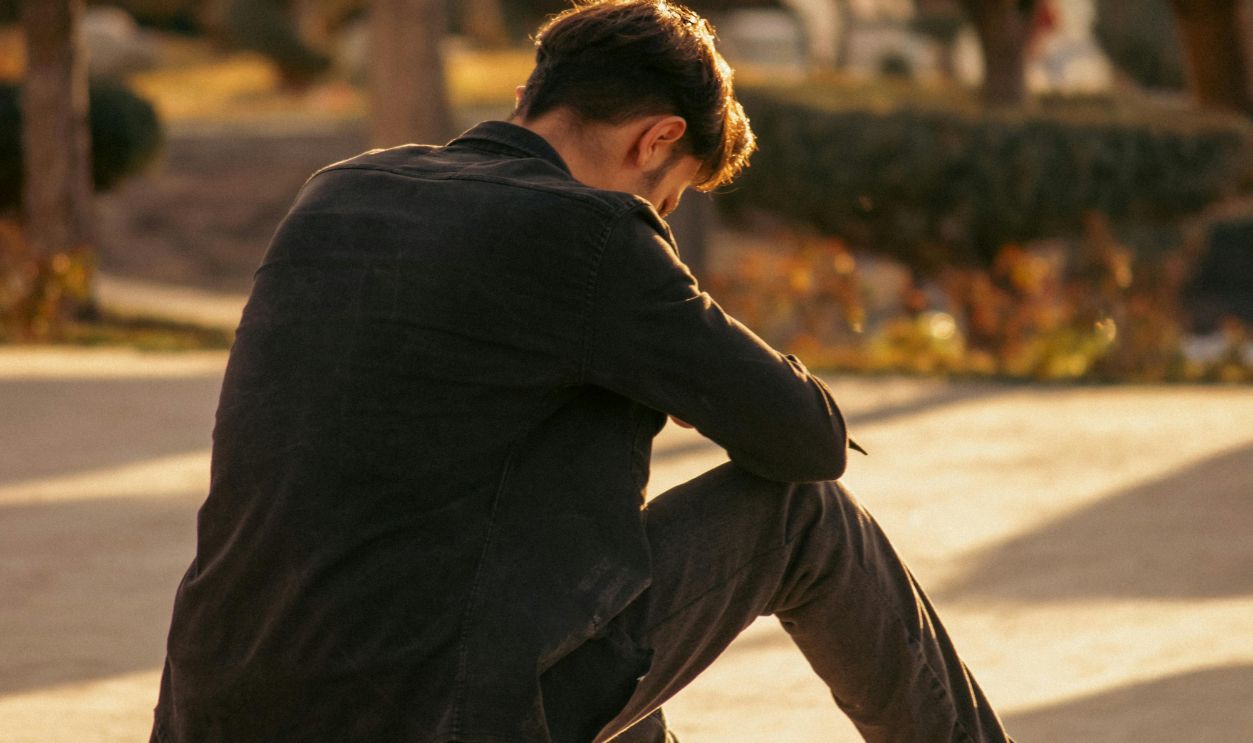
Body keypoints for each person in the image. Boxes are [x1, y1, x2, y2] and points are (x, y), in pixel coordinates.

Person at [151, 1, 1014, 741]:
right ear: (658, 139)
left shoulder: (338, 190)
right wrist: (669, 317)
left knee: (583, 575)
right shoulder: (592, 235)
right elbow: (806, 438)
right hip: (432, 712)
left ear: (529, 97)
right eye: (668, 200)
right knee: (799, 517)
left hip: (219, 704)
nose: (657, 219)